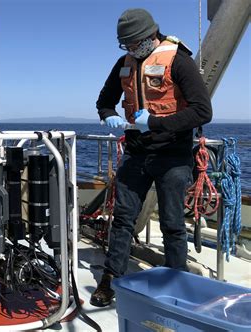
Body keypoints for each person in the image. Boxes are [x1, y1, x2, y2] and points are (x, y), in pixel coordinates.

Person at [91, 9, 212, 307]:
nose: (131, 50)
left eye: (134, 44)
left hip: (172, 155)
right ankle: (110, 279)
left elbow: (202, 111)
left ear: (150, 35)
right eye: (126, 46)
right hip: (136, 152)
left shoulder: (179, 61)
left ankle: (177, 284)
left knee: (172, 224)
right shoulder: (124, 64)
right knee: (122, 220)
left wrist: (155, 123)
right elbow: (104, 101)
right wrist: (109, 116)